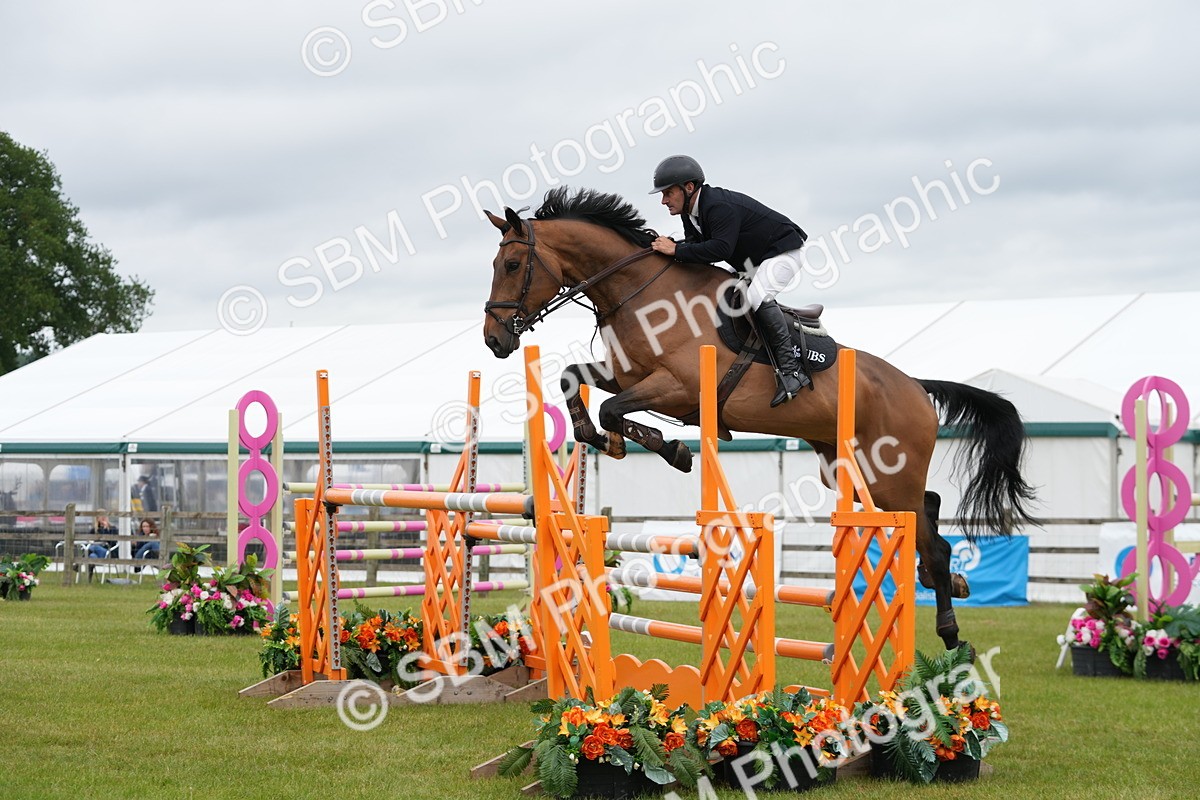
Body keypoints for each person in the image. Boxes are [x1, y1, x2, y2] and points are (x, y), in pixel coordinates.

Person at [648, 154, 810, 406]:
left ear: (689, 188)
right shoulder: (690, 213)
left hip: (783, 252)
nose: (663, 200)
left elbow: (720, 250)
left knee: (757, 297)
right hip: (755, 262)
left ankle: (791, 372)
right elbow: (696, 246)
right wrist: (670, 249)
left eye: (668, 193)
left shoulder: (717, 205)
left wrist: (676, 250)